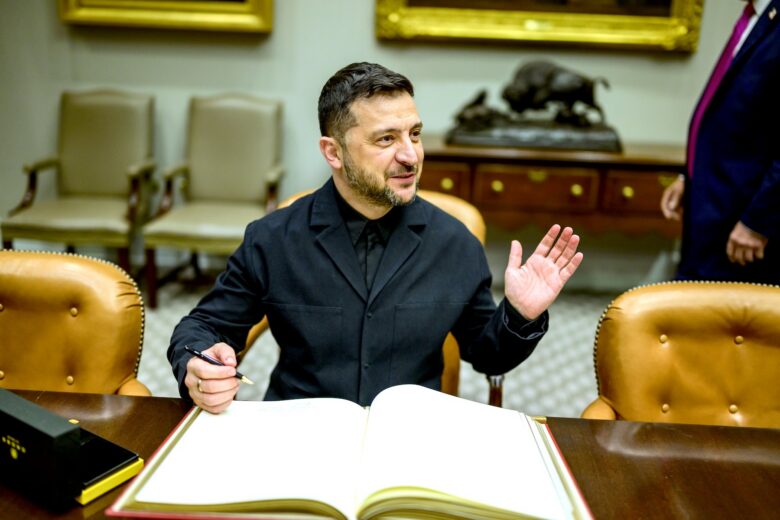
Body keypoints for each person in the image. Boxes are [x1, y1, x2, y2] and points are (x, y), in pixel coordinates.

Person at [168, 62, 583, 413]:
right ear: (333, 152)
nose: (410, 155)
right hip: (301, 430)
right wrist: (198, 365)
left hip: (409, 435)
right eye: (386, 139)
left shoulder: (454, 243)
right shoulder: (274, 237)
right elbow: (203, 326)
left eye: (414, 134)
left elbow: (488, 354)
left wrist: (519, 314)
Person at [661, 0, 779, 283]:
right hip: (710, 209)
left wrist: (758, 221)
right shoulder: (755, 16)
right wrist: (688, 176)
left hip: (742, 232)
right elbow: (732, 116)